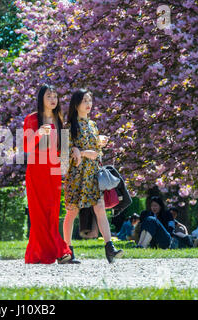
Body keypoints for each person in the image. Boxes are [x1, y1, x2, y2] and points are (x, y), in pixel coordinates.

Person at [62, 89, 123, 263]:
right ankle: (68, 250)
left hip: (93, 174)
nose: (88, 104)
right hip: (76, 176)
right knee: (72, 212)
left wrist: (99, 143)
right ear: (76, 104)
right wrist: (81, 153)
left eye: (90, 100)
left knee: (100, 209)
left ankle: (109, 247)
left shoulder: (93, 125)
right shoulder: (68, 127)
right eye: (84, 101)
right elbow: (64, 158)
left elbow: (97, 153)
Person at [23, 84, 72, 264]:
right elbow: (26, 147)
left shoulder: (59, 120)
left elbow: (63, 148)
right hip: (36, 171)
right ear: (41, 98)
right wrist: (38, 133)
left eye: (55, 96)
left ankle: (41, 254)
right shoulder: (32, 119)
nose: (53, 100)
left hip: (54, 173)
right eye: (49, 96)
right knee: (39, 215)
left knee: (52, 214)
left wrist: (65, 172)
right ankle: (59, 251)